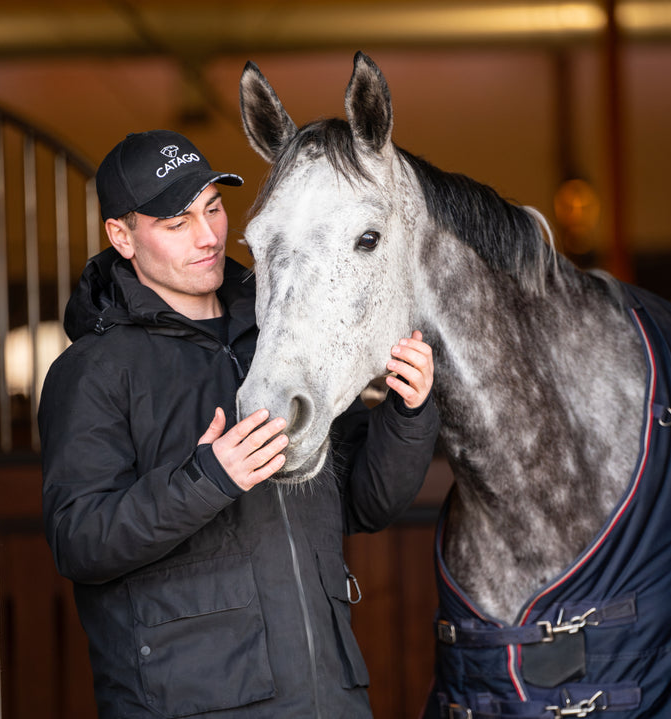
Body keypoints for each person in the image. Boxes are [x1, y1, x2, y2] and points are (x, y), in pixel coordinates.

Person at [37, 129, 440, 719]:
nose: (207, 237)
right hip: (196, 705)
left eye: (214, 208)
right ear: (122, 236)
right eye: (176, 224)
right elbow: (79, 542)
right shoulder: (93, 370)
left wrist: (408, 412)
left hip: (329, 696)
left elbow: (364, 504)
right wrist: (208, 478)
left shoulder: (284, 338)